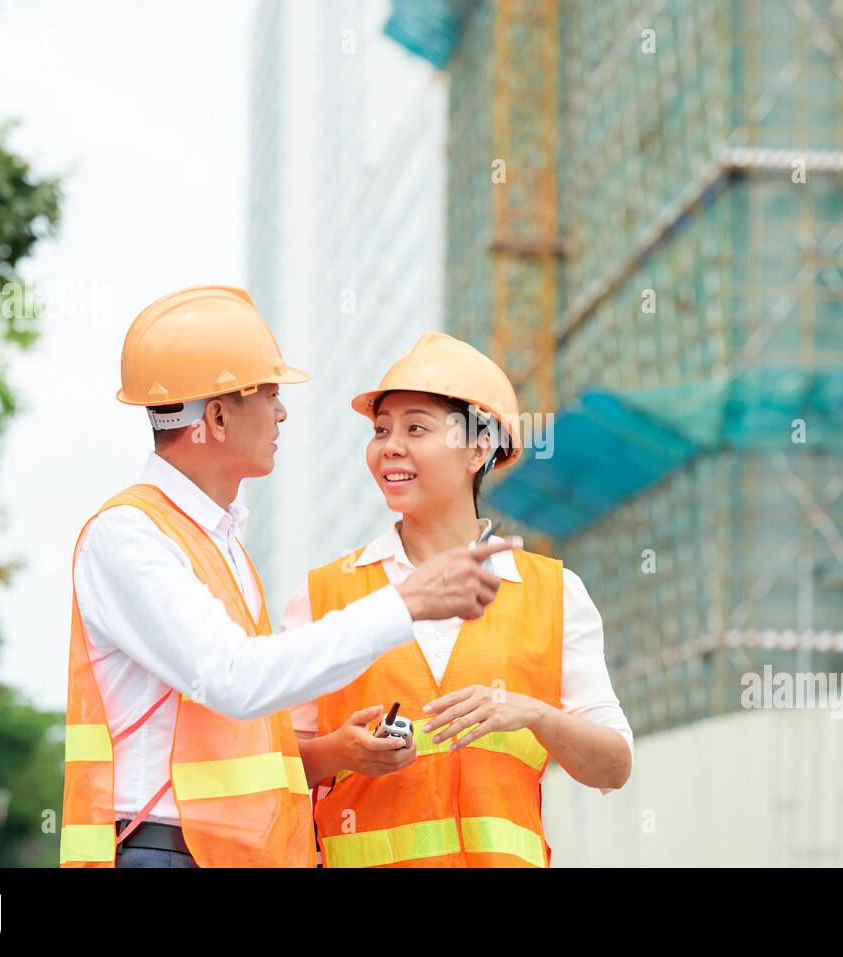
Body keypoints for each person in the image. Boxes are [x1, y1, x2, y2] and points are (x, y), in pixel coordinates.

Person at [62, 288, 516, 868]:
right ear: (218, 417)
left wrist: (333, 751)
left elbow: (242, 717)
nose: (282, 413)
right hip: (163, 850)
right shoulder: (130, 535)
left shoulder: (216, 543)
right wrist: (403, 604)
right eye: (271, 394)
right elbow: (232, 679)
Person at [286, 332, 633, 867]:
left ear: (477, 448)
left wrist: (533, 713)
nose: (389, 446)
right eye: (381, 430)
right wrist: (341, 752)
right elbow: (269, 766)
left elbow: (613, 766)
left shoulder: (554, 594)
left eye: (416, 428)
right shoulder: (324, 595)